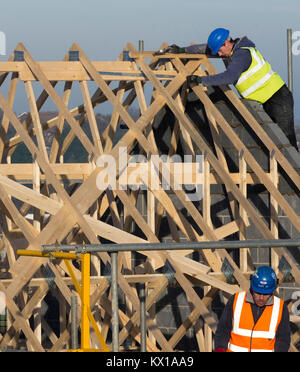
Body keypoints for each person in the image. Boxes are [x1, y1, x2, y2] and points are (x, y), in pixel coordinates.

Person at [163, 28, 298, 151]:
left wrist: (201, 80)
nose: (219, 55)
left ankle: (295, 176)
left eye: (220, 51)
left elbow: (228, 77)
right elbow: (205, 49)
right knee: (272, 140)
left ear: (226, 43)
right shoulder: (229, 51)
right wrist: (182, 50)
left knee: (287, 142)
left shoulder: (241, 54)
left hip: (278, 97)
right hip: (264, 100)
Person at [213, 266, 291, 352]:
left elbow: (283, 339)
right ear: (252, 288)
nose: (261, 298)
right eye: (257, 293)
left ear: (272, 291)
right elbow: (223, 329)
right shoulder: (236, 300)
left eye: (265, 294)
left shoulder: (280, 307)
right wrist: (220, 348)